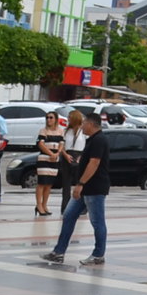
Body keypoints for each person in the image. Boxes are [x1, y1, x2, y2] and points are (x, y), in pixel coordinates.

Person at [44, 112, 109, 266]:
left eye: (85, 123)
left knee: (97, 221)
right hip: (86, 188)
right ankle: (59, 252)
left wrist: (80, 184)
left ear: (92, 124)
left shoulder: (99, 140)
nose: (83, 125)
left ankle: (98, 255)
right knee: (68, 216)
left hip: (94, 187)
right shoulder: (92, 139)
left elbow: (94, 163)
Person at [33, 115, 66, 217]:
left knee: (49, 184)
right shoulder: (43, 131)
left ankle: (44, 205)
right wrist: (50, 154)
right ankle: (39, 205)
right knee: (42, 183)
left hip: (54, 159)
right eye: (47, 117)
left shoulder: (61, 131)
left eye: (51, 117)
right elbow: (41, 144)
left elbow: (61, 144)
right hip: (44, 159)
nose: (49, 119)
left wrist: (57, 153)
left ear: (56, 119)